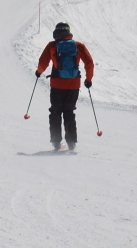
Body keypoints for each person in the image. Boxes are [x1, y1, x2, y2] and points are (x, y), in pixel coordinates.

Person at [34, 21, 94, 151]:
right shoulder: (79, 46)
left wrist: (39, 72)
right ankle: (71, 142)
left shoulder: (52, 45)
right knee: (69, 112)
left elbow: (42, 62)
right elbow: (89, 63)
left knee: (55, 112)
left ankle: (56, 142)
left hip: (57, 84)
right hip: (73, 85)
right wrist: (88, 80)